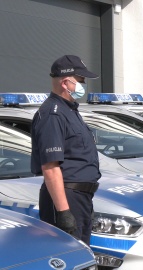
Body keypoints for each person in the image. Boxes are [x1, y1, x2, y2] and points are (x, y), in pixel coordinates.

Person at [31, 55, 101, 244]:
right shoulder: (52, 115)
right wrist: (63, 212)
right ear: (65, 82)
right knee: (68, 255)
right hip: (67, 197)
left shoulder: (69, 110)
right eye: (81, 80)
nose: (84, 84)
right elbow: (51, 167)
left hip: (80, 198)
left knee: (82, 254)